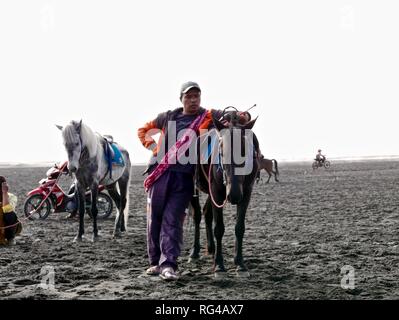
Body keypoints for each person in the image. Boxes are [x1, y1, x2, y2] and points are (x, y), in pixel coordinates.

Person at [137, 81, 260, 281]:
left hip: (184, 176)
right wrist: (153, 148)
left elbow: (237, 115)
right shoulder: (167, 117)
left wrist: (243, 116)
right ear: (181, 99)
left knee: (174, 220)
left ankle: (168, 265)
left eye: (197, 97)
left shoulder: (208, 115)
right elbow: (143, 130)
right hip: (159, 173)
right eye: (189, 97)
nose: (193, 100)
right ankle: (154, 262)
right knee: (155, 220)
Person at [0, 176, 22, 245]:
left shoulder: (12, 197)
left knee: (10, 214)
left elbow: (7, 210)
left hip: (7, 227)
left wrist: (4, 193)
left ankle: (10, 238)